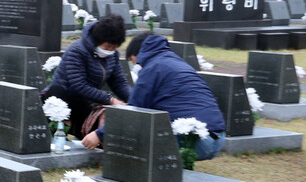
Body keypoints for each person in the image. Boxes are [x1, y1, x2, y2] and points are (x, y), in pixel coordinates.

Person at [82, 32, 227, 160]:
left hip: (196, 141)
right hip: (218, 138)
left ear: (138, 55)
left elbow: (134, 113)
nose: (136, 65)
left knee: (131, 136)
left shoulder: (152, 68)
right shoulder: (175, 62)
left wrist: (99, 135)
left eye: (133, 61)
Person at [42, 14, 132, 139]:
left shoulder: (113, 55)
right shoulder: (77, 51)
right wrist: (111, 100)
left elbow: (119, 82)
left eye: (115, 47)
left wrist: (133, 100)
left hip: (86, 101)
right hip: (63, 99)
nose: (111, 50)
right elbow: (79, 85)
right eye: (107, 47)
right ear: (97, 41)